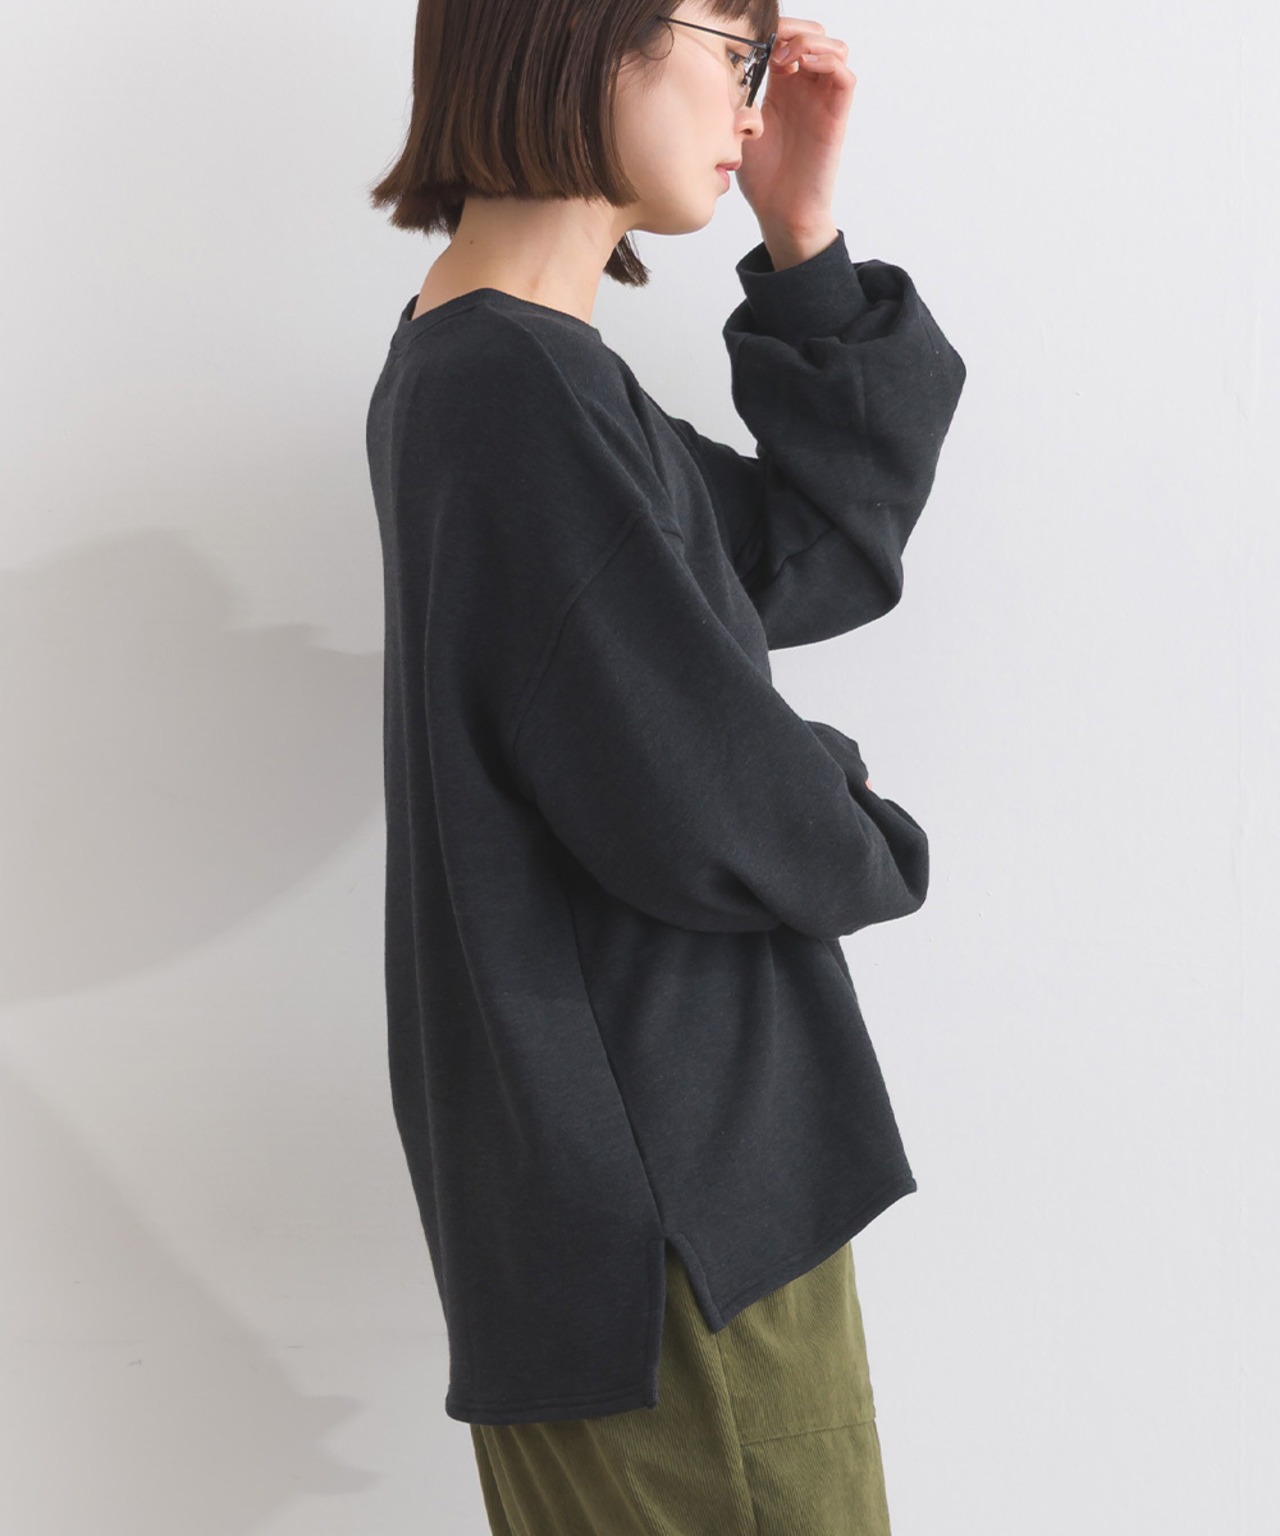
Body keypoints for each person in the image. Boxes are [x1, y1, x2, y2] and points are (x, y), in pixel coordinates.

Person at [364, 1, 967, 1531]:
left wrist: (802, 236)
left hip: (648, 1184)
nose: (753, 108)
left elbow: (815, 547)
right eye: (732, 51)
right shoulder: (508, 389)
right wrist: (857, 811)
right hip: (673, 1201)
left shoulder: (510, 370)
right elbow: (694, 789)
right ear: (584, 33)